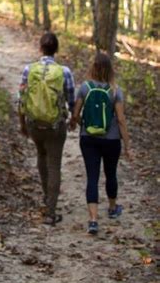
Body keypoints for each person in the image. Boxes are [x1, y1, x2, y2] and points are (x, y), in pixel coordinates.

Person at [71, 51, 131, 235]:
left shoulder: (85, 87)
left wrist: (84, 126)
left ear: (93, 68)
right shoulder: (115, 90)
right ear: (110, 70)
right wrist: (127, 145)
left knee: (92, 177)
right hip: (111, 140)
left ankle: (93, 220)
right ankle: (112, 208)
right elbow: (120, 119)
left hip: (88, 139)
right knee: (111, 174)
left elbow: (75, 114)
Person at [19, 32, 75, 225]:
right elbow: (71, 99)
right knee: (54, 165)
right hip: (55, 126)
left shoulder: (29, 69)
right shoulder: (64, 72)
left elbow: (21, 99)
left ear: (40, 48)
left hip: (34, 124)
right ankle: (51, 211)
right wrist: (73, 119)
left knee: (41, 155)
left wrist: (22, 124)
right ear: (56, 49)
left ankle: (46, 195)